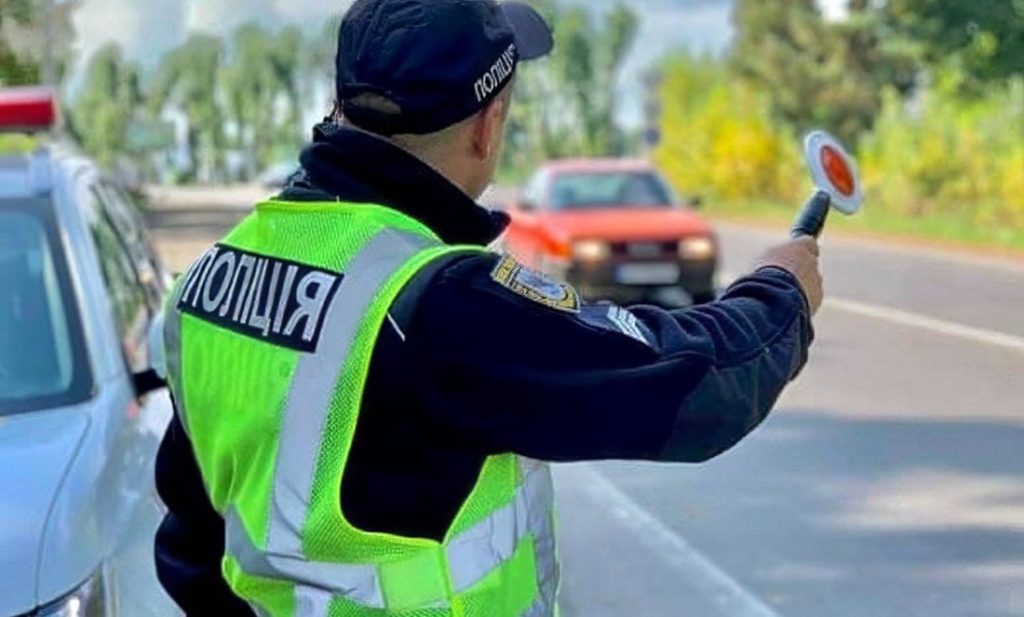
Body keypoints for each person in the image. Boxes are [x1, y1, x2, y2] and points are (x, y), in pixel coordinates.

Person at [155, 0, 824, 615]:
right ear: (487, 125)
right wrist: (783, 287)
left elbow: (191, 538)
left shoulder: (210, 280)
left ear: (344, 102)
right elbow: (696, 384)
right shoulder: (437, 302)